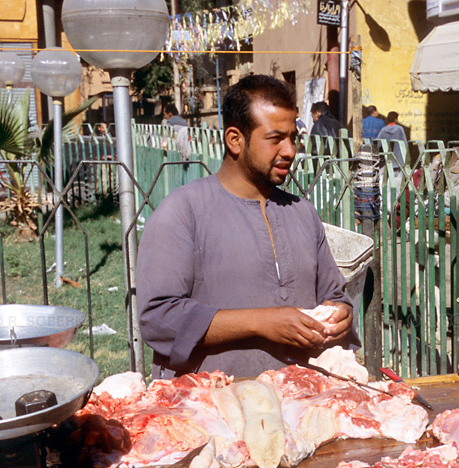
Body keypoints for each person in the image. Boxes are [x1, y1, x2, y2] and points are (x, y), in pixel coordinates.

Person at [137, 75, 354, 379]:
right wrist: (261, 322)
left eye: (293, 138)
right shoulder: (183, 212)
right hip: (213, 411)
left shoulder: (302, 212)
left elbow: (335, 294)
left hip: (301, 406)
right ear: (235, 140)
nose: (290, 151)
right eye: (275, 138)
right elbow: (158, 318)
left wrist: (340, 314)